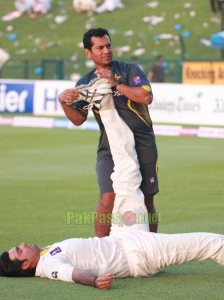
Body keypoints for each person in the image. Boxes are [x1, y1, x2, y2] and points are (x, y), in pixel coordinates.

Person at [58, 28, 159, 237]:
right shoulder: (85, 83)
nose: (106, 51)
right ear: (88, 52)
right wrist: (63, 102)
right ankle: (101, 253)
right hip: (110, 148)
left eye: (108, 45)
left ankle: (153, 252)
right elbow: (78, 119)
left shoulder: (130, 70)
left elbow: (145, 97)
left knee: (146, 200)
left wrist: (115, 83)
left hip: (143, 144)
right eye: (100, 47)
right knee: (107, 198)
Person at [0, 229, 224, 290]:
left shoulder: (40, 258)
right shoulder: (48, 266)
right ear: (26, 265)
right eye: (19, 251)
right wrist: (93, 281)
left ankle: (112, 107)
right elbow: (71, 274)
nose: (22, 244)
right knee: (214, 243)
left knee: (125, 170)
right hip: (141, 253)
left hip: (125, 234)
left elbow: (12, 267)